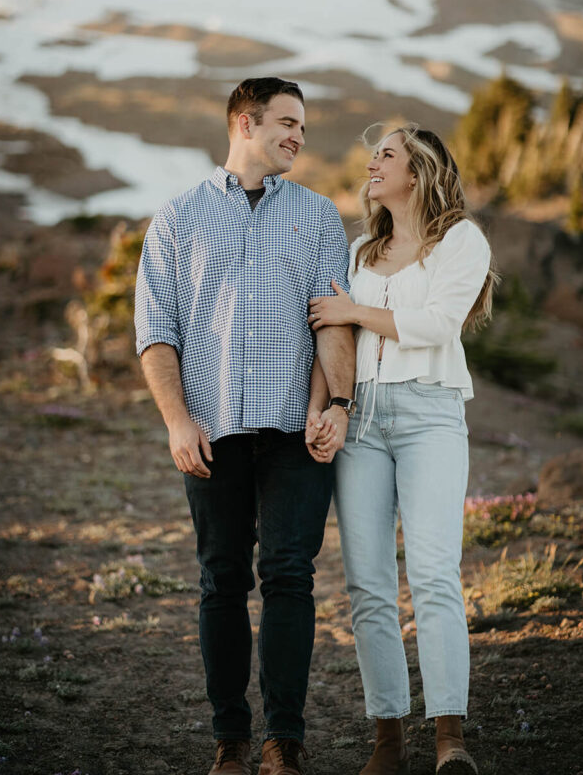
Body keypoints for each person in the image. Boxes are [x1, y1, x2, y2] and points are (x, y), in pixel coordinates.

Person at [134, 77, 356, 775]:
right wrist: (176, 421)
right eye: (286, 123)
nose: (297, 136)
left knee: (289, 575)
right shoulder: (175, 219)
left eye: (302, 126)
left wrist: (331, 405)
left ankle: (281, 741)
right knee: (220, 580)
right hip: (211, 431)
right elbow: (155, 332)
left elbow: (330, 322)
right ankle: (229, 738)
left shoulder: (320, 218)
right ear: (244, 122)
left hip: (296, 432)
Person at [306, 125, 497, 775]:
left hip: (429, 416)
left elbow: (438, 325)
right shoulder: (360, 250)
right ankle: (385, 742)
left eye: (385, 154)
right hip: (360, 422)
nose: (371, 163)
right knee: (366, 585)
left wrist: (352, 313)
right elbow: (325, 336)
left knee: (435, 574)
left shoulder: (460, 241)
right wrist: (326, 408)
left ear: (417, 171)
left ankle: (449, 740)